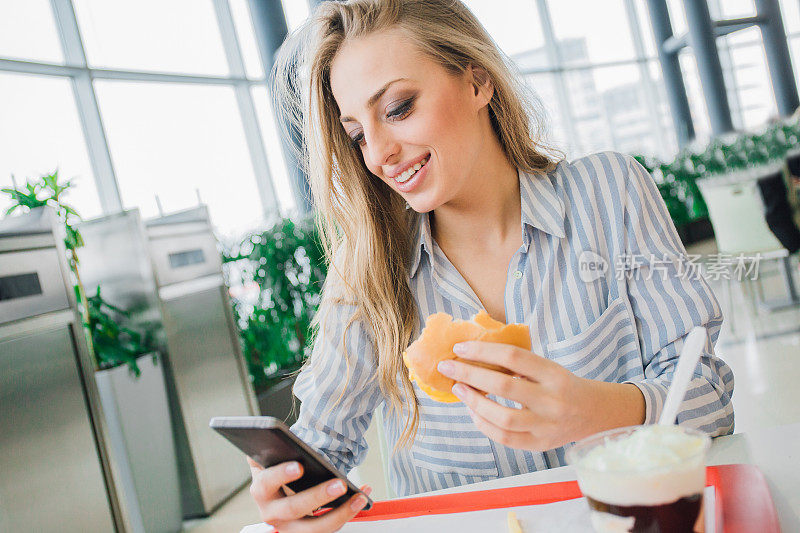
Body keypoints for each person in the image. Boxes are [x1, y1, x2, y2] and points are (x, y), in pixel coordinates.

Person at [248, 1, 735, 530]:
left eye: (398, 108)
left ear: (478, 82)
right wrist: (295, 498)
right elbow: (321, 447)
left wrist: (597, 408)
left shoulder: (610, 194)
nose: (379, 154)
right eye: (357, 134)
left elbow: (710, 400)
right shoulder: (367, 267)